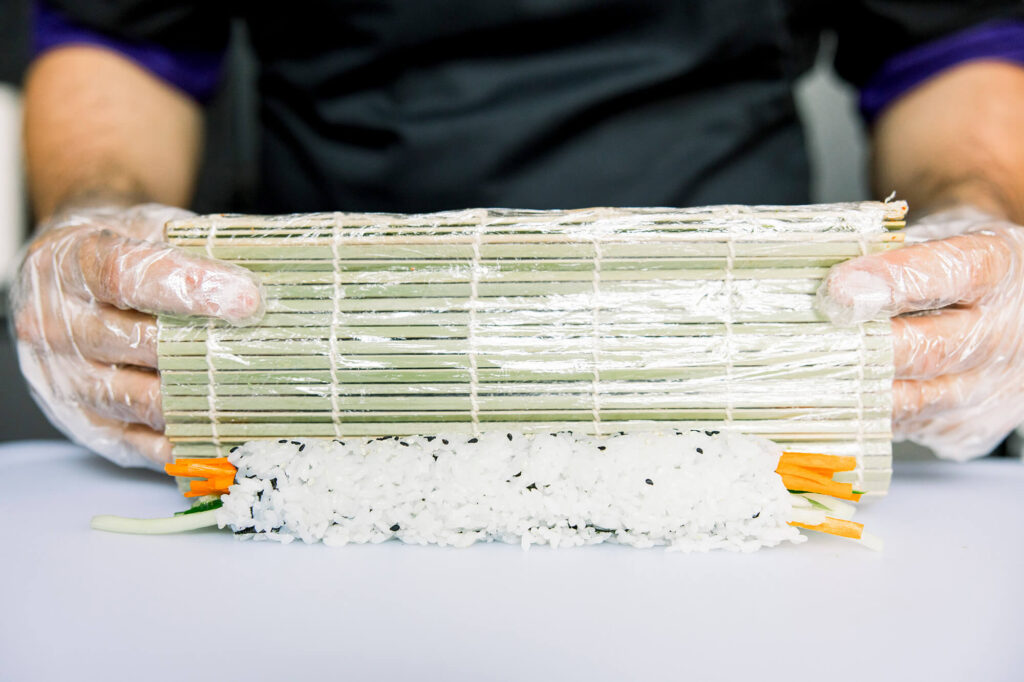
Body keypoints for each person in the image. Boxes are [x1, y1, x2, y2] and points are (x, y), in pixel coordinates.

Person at [12, 1, 1024, 468]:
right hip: (320, 383)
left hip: (746, 380)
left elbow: (945, 48)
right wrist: (89, 217)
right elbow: (125, 39)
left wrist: (980, 217)